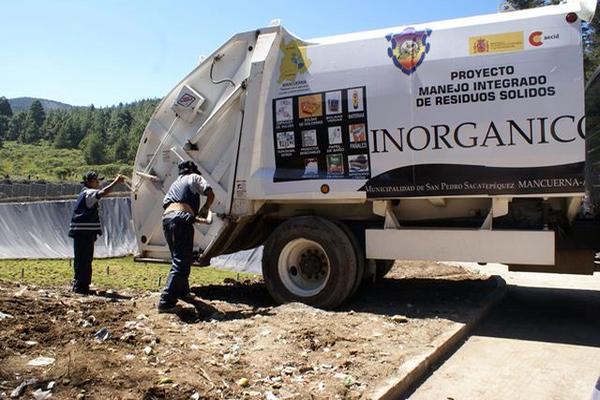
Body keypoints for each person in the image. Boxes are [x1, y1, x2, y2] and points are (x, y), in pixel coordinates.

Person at [158, 160, 215, 313]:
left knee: (180, 258)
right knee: (181, 261)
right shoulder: (194, 177)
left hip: (167, 220)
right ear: (193, 170)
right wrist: (206, 208)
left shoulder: (175, 183)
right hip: (181, 220)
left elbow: (173, 207)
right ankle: (166, 301)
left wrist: (192, 217)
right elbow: (210, 193)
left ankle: (182, 291)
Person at [68, 172, 125, 294]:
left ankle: (80, 283)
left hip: (81, 231)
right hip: (84, 232)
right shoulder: (89, 192)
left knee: (82, 259)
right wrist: (116, 182)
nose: (98, 183)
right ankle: (81, 286)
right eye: (96, 181)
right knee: (84, 259)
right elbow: (102, 193)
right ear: (88, 182)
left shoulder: (84, 193)